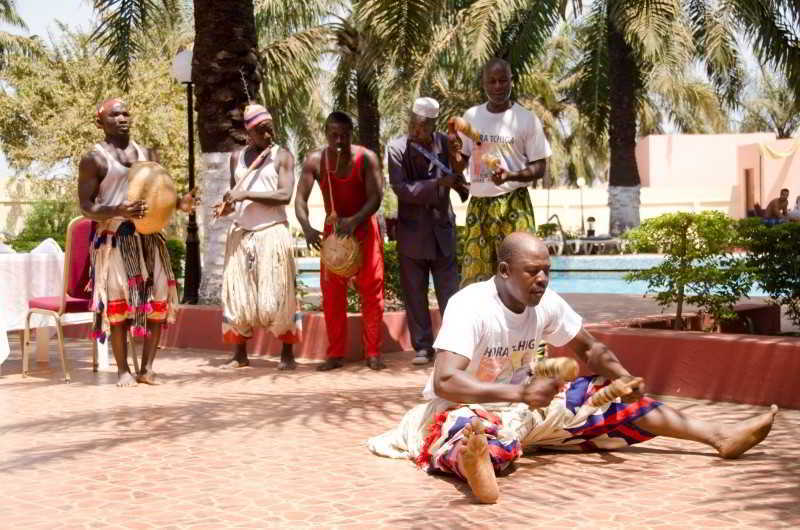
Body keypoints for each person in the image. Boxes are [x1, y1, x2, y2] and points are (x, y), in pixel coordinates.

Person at [368, 232, 779, 504]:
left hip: (527, 410)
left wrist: (619, 375)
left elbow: (590, 347)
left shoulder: (545, 300)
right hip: (465, 408)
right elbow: (446, 380)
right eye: (533, 271)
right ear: (505, 271)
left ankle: (719, 437)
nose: (543, 279)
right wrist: (519, 393)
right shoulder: (470, 305)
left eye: (547, 269)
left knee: (609, 397)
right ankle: (480, 471)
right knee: (469, 434)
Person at [78, 98, 194, 387]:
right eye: (114, 114)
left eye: (126, 113)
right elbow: (85, 207)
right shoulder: (94, 159)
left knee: (157, 300)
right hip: (115, 238)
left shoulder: (148, 154)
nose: (122, 118)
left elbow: (160, 196)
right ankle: (122, 370)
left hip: (150, 238)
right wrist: (118, 210)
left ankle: (148, 368)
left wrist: (180, 203)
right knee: (119, 304)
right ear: (100, 121)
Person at [295, 111, 386, 371]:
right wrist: (307, 227)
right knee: (333, 295)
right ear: (326, 134)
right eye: (333, 135)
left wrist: (355, 220)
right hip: (334, 232)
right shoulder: (315, 160)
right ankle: (335, 354)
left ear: (351, 135)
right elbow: (299, 199)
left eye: (343, 136)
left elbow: (375, 197)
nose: (338, 140)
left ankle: (373, 353)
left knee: (372, 290)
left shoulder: (367, 158)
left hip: (363, 228)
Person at [451, 58, 551, 287]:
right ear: (484, 84)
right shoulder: (471, 117)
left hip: (514, 203)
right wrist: (454, 150)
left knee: (523, 275)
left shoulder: (527, 119)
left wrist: (511, 176)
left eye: (503, 80)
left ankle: (523, 322)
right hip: (480, 205)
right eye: (492, 81)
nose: (497, 86)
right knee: (476, 281)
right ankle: (483, 324)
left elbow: (540, 167)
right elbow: (459, 165)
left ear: (511, 82)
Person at [215, 104, 300, 370]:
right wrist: (227, 206)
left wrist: (246, 195)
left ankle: (287, 353)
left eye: (269, 128)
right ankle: (239, 353)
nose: (268, 134)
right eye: (260, 130)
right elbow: (234, 194)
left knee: (279, 296)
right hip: (242, 234)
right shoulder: (236, 158)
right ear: (248, 132)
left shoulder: (282, 156)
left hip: (272, 232)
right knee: (238, 296)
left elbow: (285, 195)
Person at [387, 97, 469, 366]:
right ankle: (422, 347)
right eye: (413, 123)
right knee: (415, 292)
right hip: (412, 233)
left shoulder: (445, 143)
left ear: (433, 125)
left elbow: (459, 169)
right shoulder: (396, 148)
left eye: (422, 126)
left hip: (442, 231)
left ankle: (453, 345)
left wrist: (458, 180)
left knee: (451, 294)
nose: (416, 130)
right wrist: (438, 184)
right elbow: (402, 189)